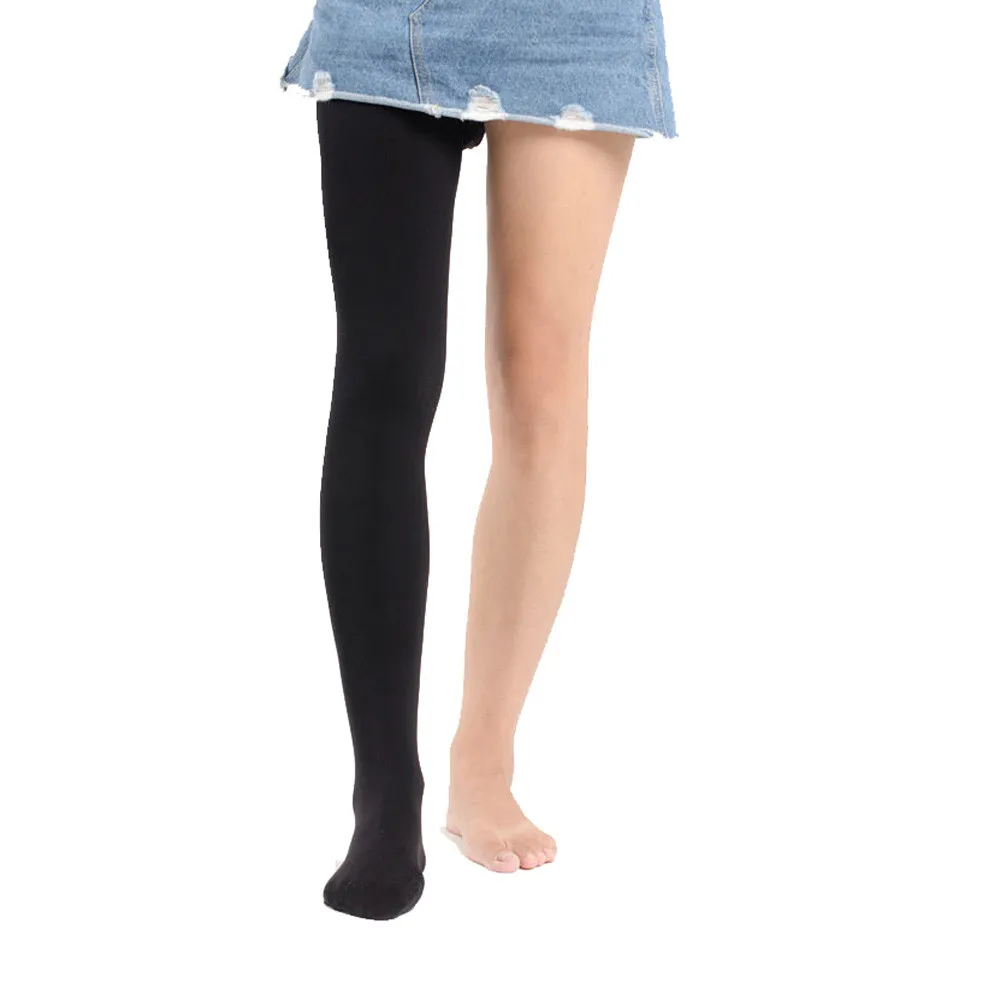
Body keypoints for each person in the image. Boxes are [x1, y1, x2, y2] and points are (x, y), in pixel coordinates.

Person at [279, 0, 678, 920]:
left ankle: (484, 759)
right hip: (392, 17)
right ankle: (386, 790)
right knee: (386, 368)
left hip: (575, 22)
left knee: (539, 376)